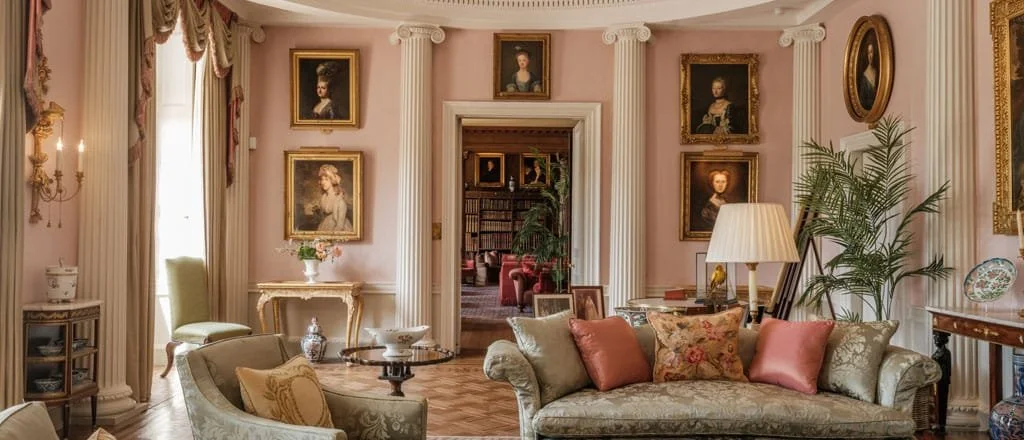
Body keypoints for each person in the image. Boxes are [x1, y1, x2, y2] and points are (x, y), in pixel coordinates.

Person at [305, 164, 353, 232]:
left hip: (338, 228)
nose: (323, 182)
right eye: (322, 179)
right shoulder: (323, 198)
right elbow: (322, 216)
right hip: (325, 226)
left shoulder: (339, 200)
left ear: (332, 181)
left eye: (326, 179)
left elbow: (339, 226)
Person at [858, 42, 878, 111]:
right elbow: (862, 101)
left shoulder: (878, 72)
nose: (870, 56)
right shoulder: (864, 76)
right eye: (868, 53)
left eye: (871, 52)